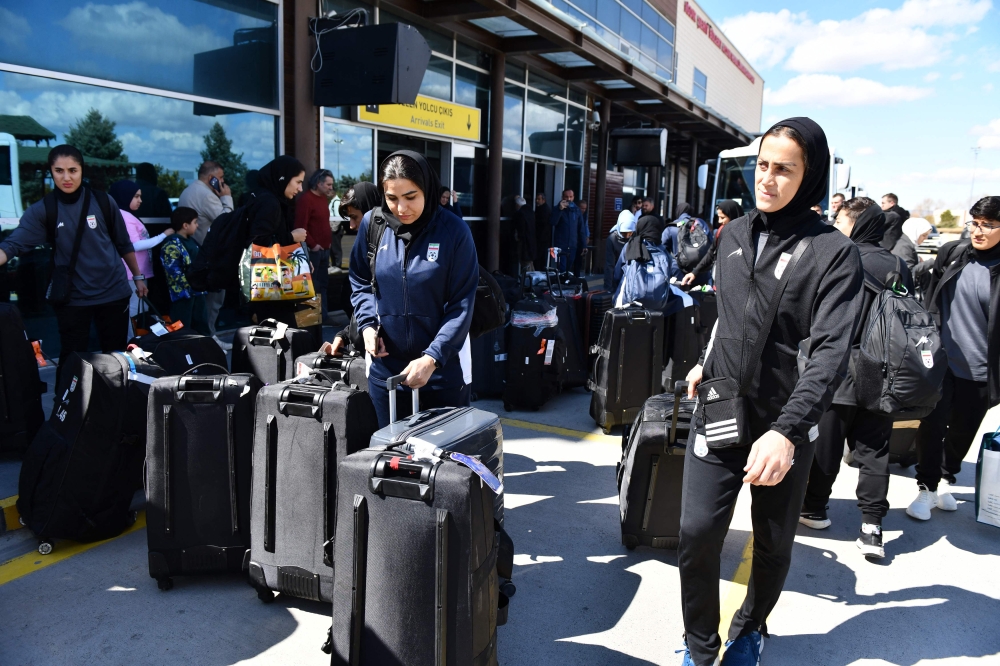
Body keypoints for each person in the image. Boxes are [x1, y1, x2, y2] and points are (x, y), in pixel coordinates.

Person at [678, 118, 862, 666]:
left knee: (774, 543)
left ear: (810, 176)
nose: (768, 179)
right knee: (695, 533)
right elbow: (729, 313)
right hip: (720, 410)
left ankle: (751, 628)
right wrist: (704, 361)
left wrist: (786, 432)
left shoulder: (834, 253)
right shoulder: (732, 233)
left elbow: (830, 355)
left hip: (787, 424)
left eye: (784, 169)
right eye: (762, 165)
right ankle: (699, 645)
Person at [799, 197, 913, 560]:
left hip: (840, 369)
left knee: (826, 444)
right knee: (874, 449)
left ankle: (814, 509)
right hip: (883, 372)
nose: (837, 225)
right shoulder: (897, 263)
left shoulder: (839, 256)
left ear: (856, 224)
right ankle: (873, 527)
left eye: (842, 220)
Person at [349, 150, 478, 428]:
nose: (400, 208)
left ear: (427, 190)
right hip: (386, 373)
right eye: (391, 198)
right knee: (389, 460)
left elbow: (462, 304)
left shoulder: (454, 231)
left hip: (442, 372)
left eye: (410, 197)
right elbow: (360, 280)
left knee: (443, 466)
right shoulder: (374, 224)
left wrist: (432, 359)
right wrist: (368, 325)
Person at [0, 145, 147, 382]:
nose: (66, 177)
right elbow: (12, 245)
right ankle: (67, 414)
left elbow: (123, 244)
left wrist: (138, 277)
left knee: (117, 359)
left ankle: (117, 412)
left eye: (72, 170)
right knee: (72, 361)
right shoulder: (43, 210)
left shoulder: (102, 201)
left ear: (81, 170)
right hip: (73, 298)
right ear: (51, 172)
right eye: (59, 171)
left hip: (113, 293)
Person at [906, 196, 1000, 521]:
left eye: (988, 225)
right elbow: (931, 296)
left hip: (982, 371)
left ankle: (946, 478)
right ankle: (925, 486)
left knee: (963, 430)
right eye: (975, 222)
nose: (978, 230)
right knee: (931, 425)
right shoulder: (954, 254)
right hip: (942, 361)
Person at [245, 156, 308, 329]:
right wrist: (292, 237)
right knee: (281, 334)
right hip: (271, 288)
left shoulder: (265, 198)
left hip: (270, 286)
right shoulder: (269, 203)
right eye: (298, 182)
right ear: (284, 178)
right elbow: (259, 244)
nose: (300, 188)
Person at [178, 160, 234, 350]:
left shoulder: (188, 190)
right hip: (209, 255)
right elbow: (226, 222)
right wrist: (226, 198)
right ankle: (210, 337)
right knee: (213, 301)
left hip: (195, 252)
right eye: (221, 178)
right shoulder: (206, 195)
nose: (223, 182)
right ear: (212, 179)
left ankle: (204, 336)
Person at [108, 180, 173, 338]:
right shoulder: (124, 216)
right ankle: (131, 344)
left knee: (139, 311)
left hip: (138, 273)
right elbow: (134, 246)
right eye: (136, 196)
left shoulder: (126, 215)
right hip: (132, 274)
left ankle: (137, 342)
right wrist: (164, 234)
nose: (140, 200)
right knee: (133, 311)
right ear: (125, 196)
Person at [610, 214, 678, 307]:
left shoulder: (631, 246)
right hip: (657, 305)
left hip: (628, 303)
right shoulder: (663, 251)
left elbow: (617, 274)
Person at [160, 207, 209, 335]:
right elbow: (174, 272)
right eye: (195, 222)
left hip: (197, 293)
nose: (197, 225)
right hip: (182, 296)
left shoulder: (191, 241)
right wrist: (193, 284)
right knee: (182, 329)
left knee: (200, 325)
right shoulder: (171, 244)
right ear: (185, 225)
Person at [295, 169, 335, 324]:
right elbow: (300, 226)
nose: (331, 187)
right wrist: (313, 245)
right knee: (311, 285)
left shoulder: (323, 198)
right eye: (328, 184)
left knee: (323, 285)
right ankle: (311, 320)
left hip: (325, 250)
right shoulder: (306, 200)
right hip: (314, 252)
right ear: (319, 183)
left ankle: (323, 317)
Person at [680, 200, 742, 287]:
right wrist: (695, 272)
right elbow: (711, 253)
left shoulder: (746, 233)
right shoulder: (721, 232)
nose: (720, 221)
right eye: (719, 217)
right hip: (722, 282)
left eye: (723, 217)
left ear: (732, 216)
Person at [550, 189, 587, 273]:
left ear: (573, 197)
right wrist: (560, 209)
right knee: (562, 269)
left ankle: (564, 284)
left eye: (570, 197)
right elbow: (552, 222)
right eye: (566, 197)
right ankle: (561, 284)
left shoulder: (577, 210)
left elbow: (581, 228)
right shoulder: (557, 208)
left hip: (573, 245)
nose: (568, 199)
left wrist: (584, 245)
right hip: (560, 245)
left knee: (568, 268)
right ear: (563, 197)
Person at [604, 209, 636, 291]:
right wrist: (608, 288)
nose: (627, 236)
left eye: (630, 233)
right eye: (624, 233)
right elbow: (609, 265)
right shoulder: (612, 239)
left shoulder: (636, 237)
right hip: (616, 278)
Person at [513, 195, 536, 274]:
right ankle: (533, 280)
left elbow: (521, 229)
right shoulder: (531, 212)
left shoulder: (520, 214)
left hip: (524, 242)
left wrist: (518, 237)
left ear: (517, 205)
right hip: (531, 241)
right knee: (530, 262)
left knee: (525, 263)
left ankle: (528, 281)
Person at [534, 193, 552, 269]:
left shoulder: (544, 210)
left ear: (543, 200)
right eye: (536, 199)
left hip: (542, 238)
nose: (537, 201)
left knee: (541, 258)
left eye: (539, 199)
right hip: (542, 238)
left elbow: (542, 224)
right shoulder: (540, 209)